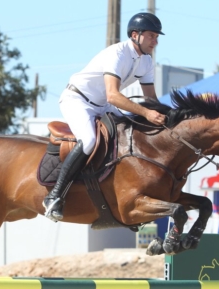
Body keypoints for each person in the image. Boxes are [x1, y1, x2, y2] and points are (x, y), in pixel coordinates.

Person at [43, 12, 167, 222]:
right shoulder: (118, 53)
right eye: (152, 36)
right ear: (135, 35)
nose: (155, 41)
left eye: (157, 37)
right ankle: (54, 196)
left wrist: (168, 117)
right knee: (89, 140)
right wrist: (146, 113)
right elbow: (113, 94)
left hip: (102, 105)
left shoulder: (146, 62)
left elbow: (151, 99)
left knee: (129, 132)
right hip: (78, 99)